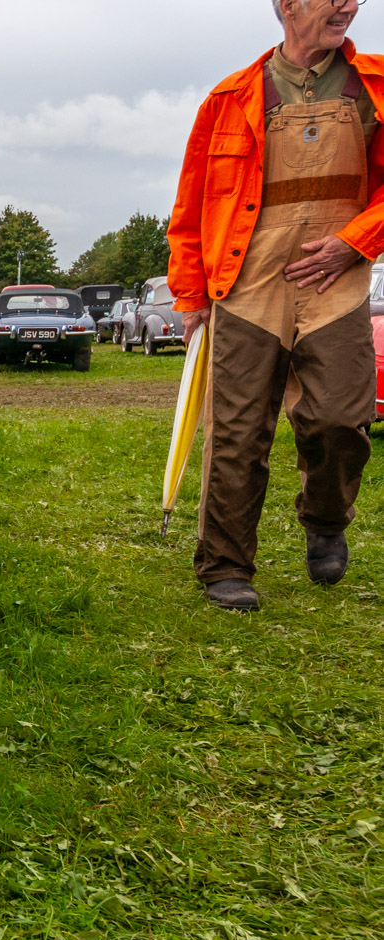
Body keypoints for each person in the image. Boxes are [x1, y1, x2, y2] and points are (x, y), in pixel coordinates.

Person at [168, 0, 382, 611]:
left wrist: (353, 243)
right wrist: (190, 296)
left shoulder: (375, 86)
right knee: (236, 434)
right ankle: (226, 565)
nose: (349, 5)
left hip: (334, 282)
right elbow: (190, 209)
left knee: (342, 417)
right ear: (288, 5)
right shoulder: (229, 99)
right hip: (246, 282)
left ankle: (325, 517)